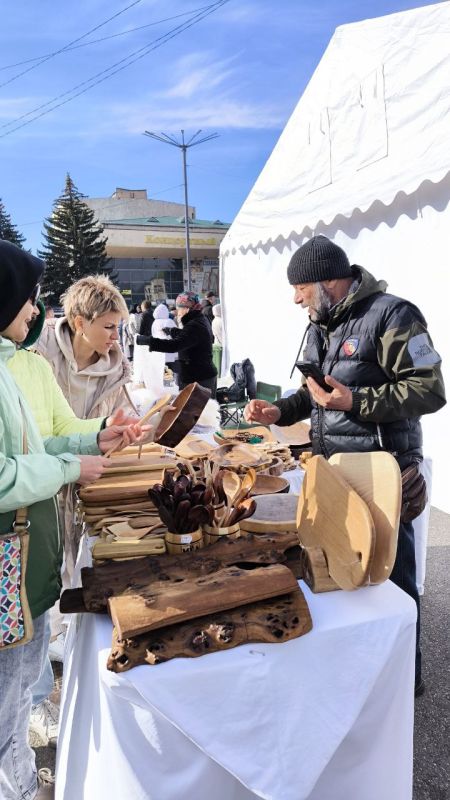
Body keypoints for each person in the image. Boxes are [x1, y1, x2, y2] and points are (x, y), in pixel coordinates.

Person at [244, 235, 446, 697]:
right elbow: (315, 394)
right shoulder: (320, 323)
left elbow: (430, 389)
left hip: (382, 470)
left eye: (299, 287)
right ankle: (359, 675)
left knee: (390, 580)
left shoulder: (395, 315)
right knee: (343, 570)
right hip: (333, 468)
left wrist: (358, 399)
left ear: (328, 280)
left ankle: (401, 681)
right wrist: (280, 411)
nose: (295, 298)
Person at [0, 241, 145, 798]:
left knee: (20, 675)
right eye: (27, 299)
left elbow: (46, 436)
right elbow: (15, 469)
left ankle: (17, 767)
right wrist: (69, 464)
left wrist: (98, 435)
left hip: (26, 549)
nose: (35, 311)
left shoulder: (21, 363)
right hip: (10, 551)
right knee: (9, 698)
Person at [35, 274, 136, 580]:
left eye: (117, 327)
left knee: (81, 570)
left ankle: (71, 622)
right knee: (41, 573)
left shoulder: (116, 369)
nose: (115, 337)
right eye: (108, 327)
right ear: (79, 323)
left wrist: (132, 430)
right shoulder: (37, 352)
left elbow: (125, 416)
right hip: (41, 481)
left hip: (87, 484)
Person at [137, 291, 218, 397]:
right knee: (200, 411)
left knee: (199, 412)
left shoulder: (194, 325)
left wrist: (148, 341)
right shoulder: (199, 320)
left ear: (187, 309)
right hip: (201, 375)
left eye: (179, 308)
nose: (178, 312)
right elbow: (189, 337)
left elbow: (175, 345)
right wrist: (172, 331)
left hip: (199, 378)